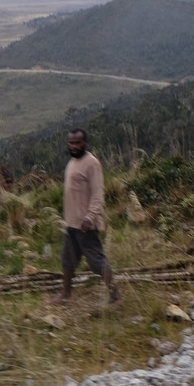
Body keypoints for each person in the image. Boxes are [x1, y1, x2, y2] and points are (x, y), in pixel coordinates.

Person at [54, 128, 120, 305]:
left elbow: (98, 194)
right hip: (71, 223)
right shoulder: (71, 162)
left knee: (96, 261)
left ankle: (115, 295)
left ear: (85, 143)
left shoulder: (92, 163)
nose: (74, 146)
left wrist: (90, 217)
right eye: (72, 143)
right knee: (68, 260)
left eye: (78, 143)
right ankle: (65, 294)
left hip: (85, 225)